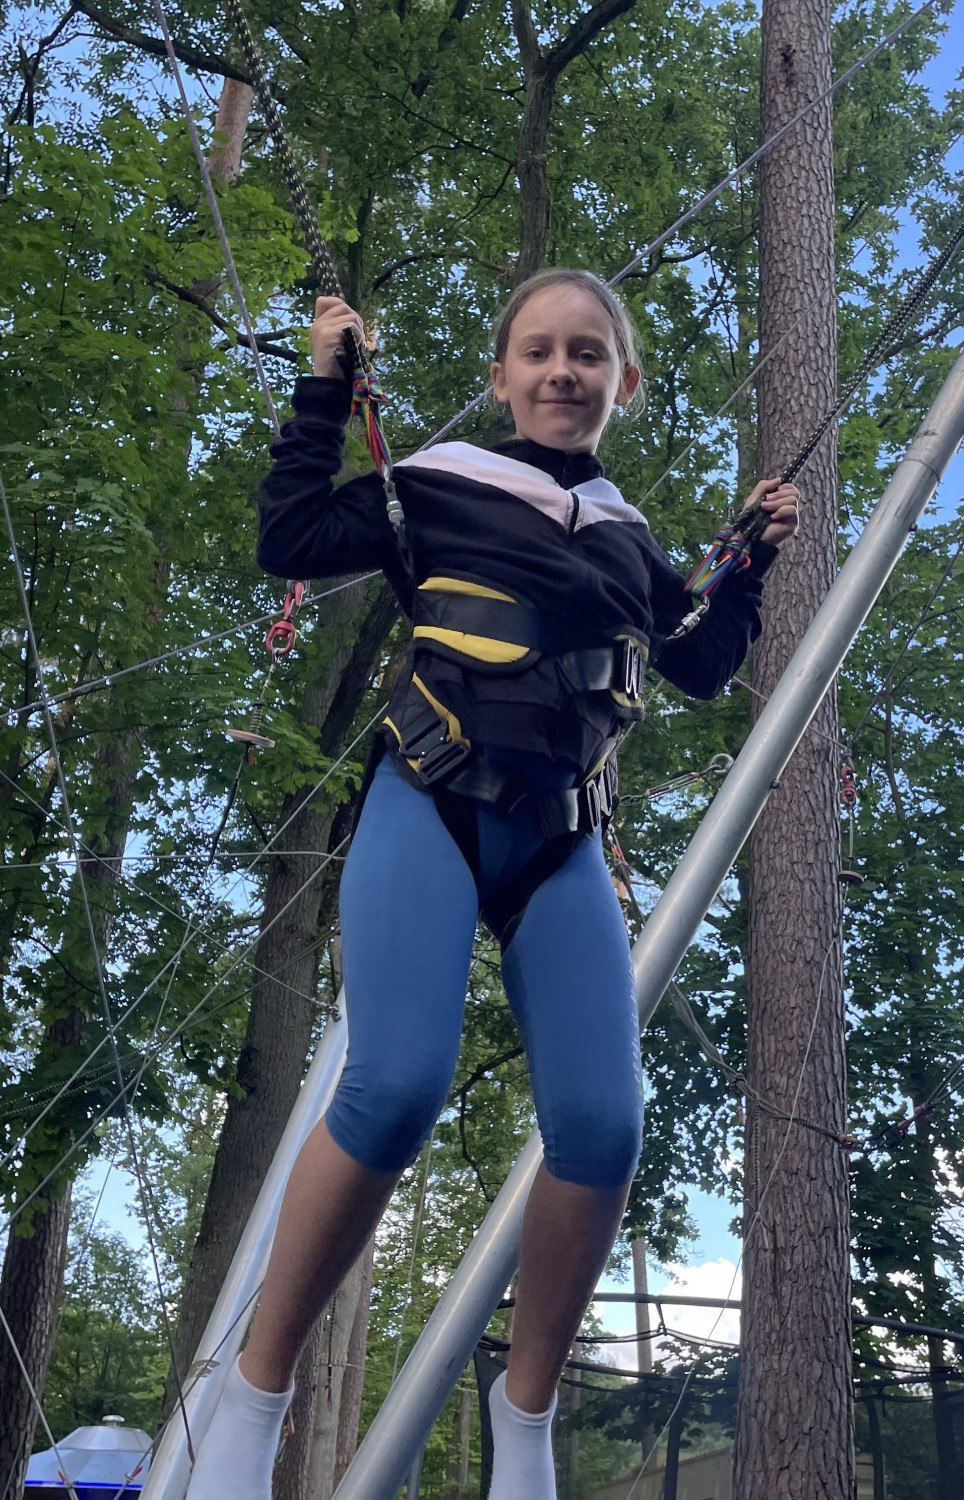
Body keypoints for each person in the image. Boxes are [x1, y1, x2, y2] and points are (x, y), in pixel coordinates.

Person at [186, 269, 799, 1500]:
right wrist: (322, 390)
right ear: (502, 374)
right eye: (538, 352)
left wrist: (743, 566)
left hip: (560, 842)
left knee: (603, 1131)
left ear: (623, 383)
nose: (562, 371)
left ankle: (525, 1424)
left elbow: (693, 665)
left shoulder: (627, 539)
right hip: (431, 797)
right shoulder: (438, 481)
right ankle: (251, 1398)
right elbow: (288, 539)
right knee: (395, 1086)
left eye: (587, 354)